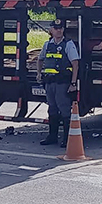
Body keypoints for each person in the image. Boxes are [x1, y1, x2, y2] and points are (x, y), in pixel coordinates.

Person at [36, 19, 80, 147]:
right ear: (51, 30)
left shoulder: (68, 44)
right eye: (56, 28)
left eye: (60, 28)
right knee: (52, 109)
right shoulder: (47, 44)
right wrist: (39, 73)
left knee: (65, 110)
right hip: (49, 82)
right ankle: (52, 136)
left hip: (62, 83)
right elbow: (40, 59)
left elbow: (75, 64)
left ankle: (67, 139)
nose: (59, 30)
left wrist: (73, 83)